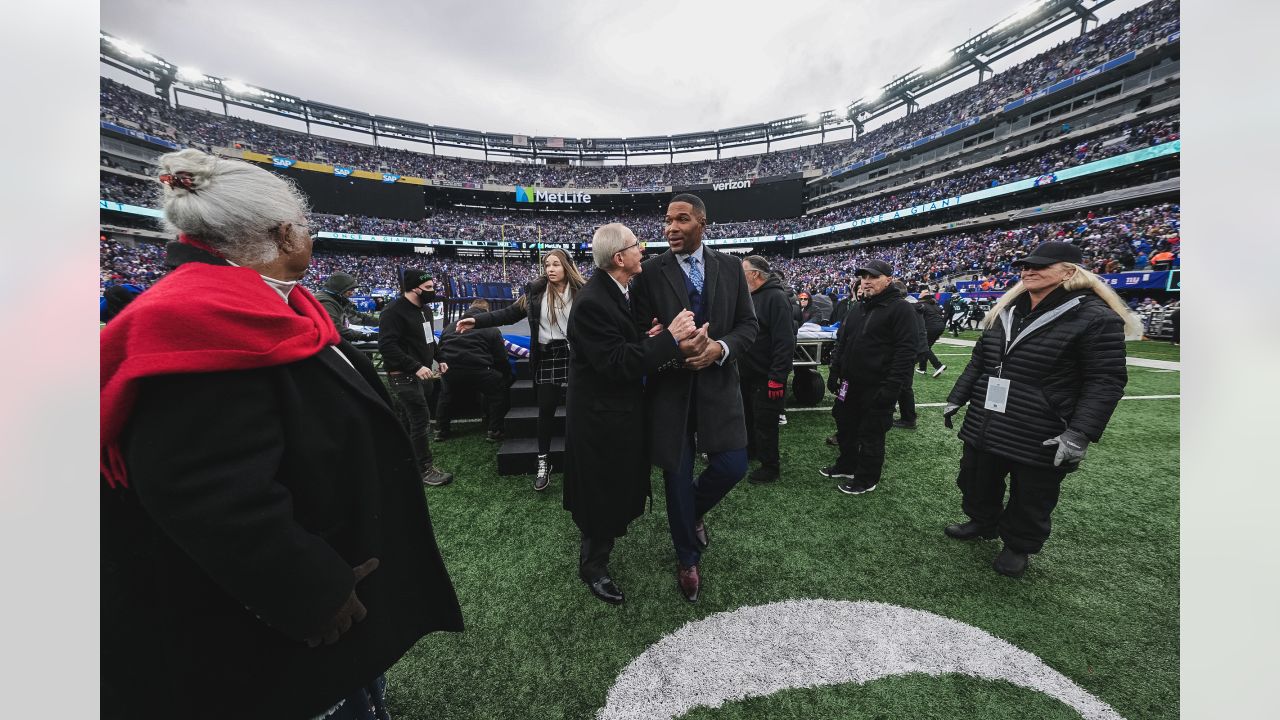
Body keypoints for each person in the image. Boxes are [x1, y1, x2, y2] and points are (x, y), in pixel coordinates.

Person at [100, 148, 462, 719]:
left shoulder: (260, 302)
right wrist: (311, 589)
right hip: (284, 623)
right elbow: (203, 489)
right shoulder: (198, 322)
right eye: (306, 225)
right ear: (282, 232)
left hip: (335, 563)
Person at [941, 241, 1136, 577]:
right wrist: (958, 396)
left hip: (1041, 423)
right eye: (1026, 265)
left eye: (1041, 265)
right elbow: (980, 361)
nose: (1029, 270)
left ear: (1069, 271)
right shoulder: (1006, 309)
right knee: (974, 477)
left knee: (1032, 492)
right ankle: (983, 520)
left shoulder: (1095, 317)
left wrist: (1079, 433)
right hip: (988, 415)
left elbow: (1106, 380)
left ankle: (1019, 545)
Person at [630, 193, 758, 602]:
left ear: (702, 223)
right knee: (676, 477)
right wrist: (668, 346)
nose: (670, 228)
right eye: (667, 220)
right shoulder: (649, 273)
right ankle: (687, 557)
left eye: (681, 219)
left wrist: (717, 349)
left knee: (733, 465)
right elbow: (638, 332)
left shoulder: (730, 268)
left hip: (719, 386)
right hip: (671, 389)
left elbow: (747, 327)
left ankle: (692, 513)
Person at [563, 223, 698, 605]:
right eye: (637, 245)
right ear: (619, 257)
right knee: (600, 494)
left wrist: (650, 339)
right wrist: (670, 337)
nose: (643, 250)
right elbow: (617, 363)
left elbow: (622, 344)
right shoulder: (592, 301)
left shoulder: (615, 290)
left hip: (615, 414)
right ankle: (593, 567)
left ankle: (598, 554)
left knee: (613, 490)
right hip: (600, 421)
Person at [456, 248, 585, 491]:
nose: (550, 269)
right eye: (547, 265)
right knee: (545, 410)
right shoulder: (535, 292)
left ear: (567, 266)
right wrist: (477, 320)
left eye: (556, 264)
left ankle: (582, 459)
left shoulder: (582, 291)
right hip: (547, 357)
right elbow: (509, 314)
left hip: (576, 357)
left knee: (578, 410)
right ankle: (543, 463)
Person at [823, 259, 917, 495]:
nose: (866, 281)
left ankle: (866, 479)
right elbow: (842, 343)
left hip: (877, 384)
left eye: (873, 277)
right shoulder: (858, 308)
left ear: (888, 279)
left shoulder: (901, 309)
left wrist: (891, 388)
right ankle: (847, 465)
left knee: (871, 433)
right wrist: (835, 372)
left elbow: (906, 353)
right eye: (864, 277)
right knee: (845, 424)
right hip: (850, 383)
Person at [379, 268, 454, 487]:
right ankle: (424, 470)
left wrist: (439, 357)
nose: (433, 291)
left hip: (421, 375)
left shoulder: (426, 310)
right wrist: (414, 366)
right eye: (428, 288)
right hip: (403, 376)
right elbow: (387, 346)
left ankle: (404, 463)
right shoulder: (393, 312)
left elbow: (429, 339)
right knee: (420, 422)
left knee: (408, 422)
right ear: (413, 288)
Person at [739, 255, 795, 484]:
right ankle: (751, 452)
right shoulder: (750, 297)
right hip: (747, 373)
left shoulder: (776, 298)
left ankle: (770, 467)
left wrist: (777, 378)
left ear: (755, 274)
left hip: (765, 375)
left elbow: (785, 341)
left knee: (765, 422)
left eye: (743, 271)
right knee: (748, 418)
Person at [435, 299, 510, 444]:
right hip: (479, 371)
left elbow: (440, 350)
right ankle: (494, 430)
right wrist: (505, 375)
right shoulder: (492, 329)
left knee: (445, 395)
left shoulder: (449, 327)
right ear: (487, 312)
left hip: (452, 370)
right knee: (497, 393)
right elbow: (501, 358)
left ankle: (440, 430)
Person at [893, 281, 929, 430]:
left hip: (911, 350)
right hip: (917, 349)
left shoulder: (906, 308)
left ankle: (908, 418)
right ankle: (907, 416)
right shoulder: (913, 305)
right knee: (904, 384)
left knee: (903, 385)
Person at [318, 270, 379, 342]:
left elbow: (356, 317)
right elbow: (335, 330)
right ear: (340, 288)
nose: (352, 293)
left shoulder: (336, 299)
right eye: (350, 290)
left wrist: (381, 322)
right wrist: (367, 336)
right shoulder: (326, 303)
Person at [916, 292, 948, 377]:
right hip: (940, 326)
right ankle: (922, 368)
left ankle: (938, 365)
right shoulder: (935, 305)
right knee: (927, 347)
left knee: (924, 346)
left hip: (931, 327)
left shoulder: (921, 305)